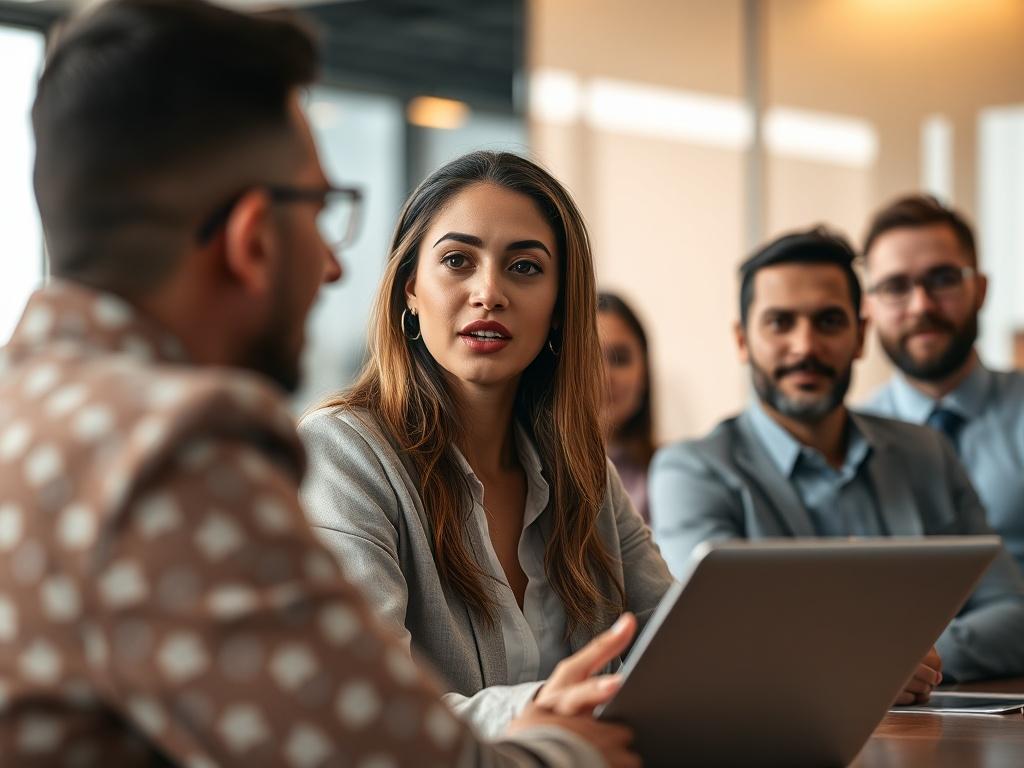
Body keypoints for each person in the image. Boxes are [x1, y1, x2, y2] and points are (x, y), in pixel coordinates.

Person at [0, 1, 640, 765]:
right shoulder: (168, 451)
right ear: (252, 240)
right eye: (322, 210)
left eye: (526, 267)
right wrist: (572, 746)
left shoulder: (31, 414)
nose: (335, 265)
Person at [299, 151, 675, 736]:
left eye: (524, 268)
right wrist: (540, 715)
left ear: (559, 307)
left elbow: (677, 644)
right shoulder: (341, 454)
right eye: (456, 260)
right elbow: (365, 707)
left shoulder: (581, 469)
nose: (489, 292)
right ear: (410, 291)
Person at [648, 227, 1024, 692]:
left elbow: (1012, 612)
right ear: (742, 340)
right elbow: (714, 637)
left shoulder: (926, 453)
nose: (805, 347)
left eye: (828, 321)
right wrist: (871, 661)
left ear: (861, 335)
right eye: (780, 323)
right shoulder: (692, 471)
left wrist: (914, 658)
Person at [859, 194, 1024, 575]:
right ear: (868, 307)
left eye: (943, 279)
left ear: (980, 289)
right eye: (895, 286)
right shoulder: (846, 442)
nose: (921, 305)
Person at [597, 292, 655, 522]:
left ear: (645, 373)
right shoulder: (527, 475)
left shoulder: (676, 475)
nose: (604, 375)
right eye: (587, 358)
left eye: (620, 359)